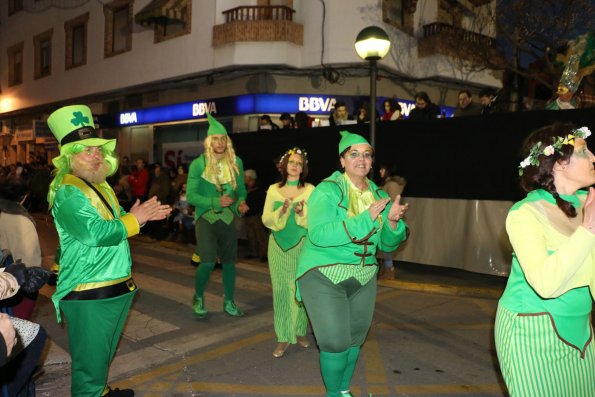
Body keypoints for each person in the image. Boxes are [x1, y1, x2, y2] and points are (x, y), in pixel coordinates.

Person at [46, 104, 171, 397]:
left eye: (98, 148)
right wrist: (134, 219)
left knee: (101, 358)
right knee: (89, 368)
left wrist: (135, 214)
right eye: (86, 149)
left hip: (113, 284)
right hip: (89, 290)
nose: (96, 154)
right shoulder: (67, 191)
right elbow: (93, 234)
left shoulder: (99, 184)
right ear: (69, 156)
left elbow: (112, 222)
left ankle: (100, 392)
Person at [296, 131, 409, 397]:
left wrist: (392, 222)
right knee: (335, 342)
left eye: (367, 154)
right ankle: (334, 394)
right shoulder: (327, 190)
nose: (361, 159)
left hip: (364, 275)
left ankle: (344, 390)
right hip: (323, 273)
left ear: (372, 162)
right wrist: (365, 218)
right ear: (342, 160)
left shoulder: (378, 193)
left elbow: (387, 246)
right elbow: (319, 234)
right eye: (354, 154)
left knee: (355, 339)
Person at [495, 123, 595, 396]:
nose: (594, 158)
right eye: (585, 152)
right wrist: (588, 230)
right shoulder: (525, 213)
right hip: (531, 333)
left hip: (583, 333)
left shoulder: (588, 201)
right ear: (560, 164)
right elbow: (545, 283)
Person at [187, 113, 249, 318]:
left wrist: (241, 203)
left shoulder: (236, 162)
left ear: (227, 141)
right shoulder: (198, 164)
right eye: (215, 138)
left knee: (230, 262)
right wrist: (215, 202)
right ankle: (198, 297)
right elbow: (191, 196)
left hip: (229, 218)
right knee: (207, 261)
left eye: (223, 138)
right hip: (206, 217)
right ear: (208, 141)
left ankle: (229, 301)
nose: (220, 142)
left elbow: (241, 190)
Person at [262, 147, 314, 358]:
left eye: (299, 163)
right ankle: (283, 336)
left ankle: (299, 331)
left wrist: (302, 212)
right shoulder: (273, 189)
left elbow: (315, 220)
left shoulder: (311, 190)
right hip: (277, 246)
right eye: (291, 162)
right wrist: (281, 211)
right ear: (284, 166)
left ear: (303, 168)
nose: (295, 165)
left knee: (299, 289)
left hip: (301, 244)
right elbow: (266, 219)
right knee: (281, 292)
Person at [0, 178, 43, 320]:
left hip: (3, 283)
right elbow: (30, 258)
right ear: (24, 197)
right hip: (16, 285)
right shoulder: (22, 221)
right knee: (18, 328)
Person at [377, 164, 407, 280]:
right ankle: (386, 269)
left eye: (383, 169)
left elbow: (393, 202)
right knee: (384, 246)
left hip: (389, 219)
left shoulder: (392, 185)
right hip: (384, 217)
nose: (380, 171)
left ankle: (389, 270)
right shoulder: (387, 183)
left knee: (387, 246)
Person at [243, 169, 268, 261]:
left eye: (245, 177)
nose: (243, 178)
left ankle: (264, 254)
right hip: (247, 216)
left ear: (250, 177)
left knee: (260, 235)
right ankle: (254, 252)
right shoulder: (246, 188)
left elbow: (264, 203)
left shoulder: (259, 188)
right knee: (251, 235)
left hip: (257, 216)